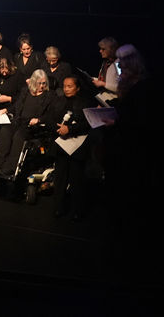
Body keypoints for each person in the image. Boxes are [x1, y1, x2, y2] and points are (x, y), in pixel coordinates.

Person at [0, 69, 54, 180]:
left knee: (18, 136)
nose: (42, 86)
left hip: (32, 125)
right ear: (33, 82)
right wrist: (6, 109)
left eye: (44, 83)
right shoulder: (26, 91)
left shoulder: (49, 95)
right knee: (6, 130)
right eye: (39, 83)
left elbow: (50, 114)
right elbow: (16, 106)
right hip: (19, 120)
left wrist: (38, 120)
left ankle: (9, 168)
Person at [52, 76, 95, 220]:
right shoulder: (59, 101)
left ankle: (77, 210)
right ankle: (59, 207)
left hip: (77, 145)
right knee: (60, 178)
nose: (66, 89)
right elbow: (52, 118)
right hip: (62, 144)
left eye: (70, 86)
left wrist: (70, 129)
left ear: (77, 88)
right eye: (64, 86)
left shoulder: (85, 102)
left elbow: (88, 123)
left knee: (76, 178)